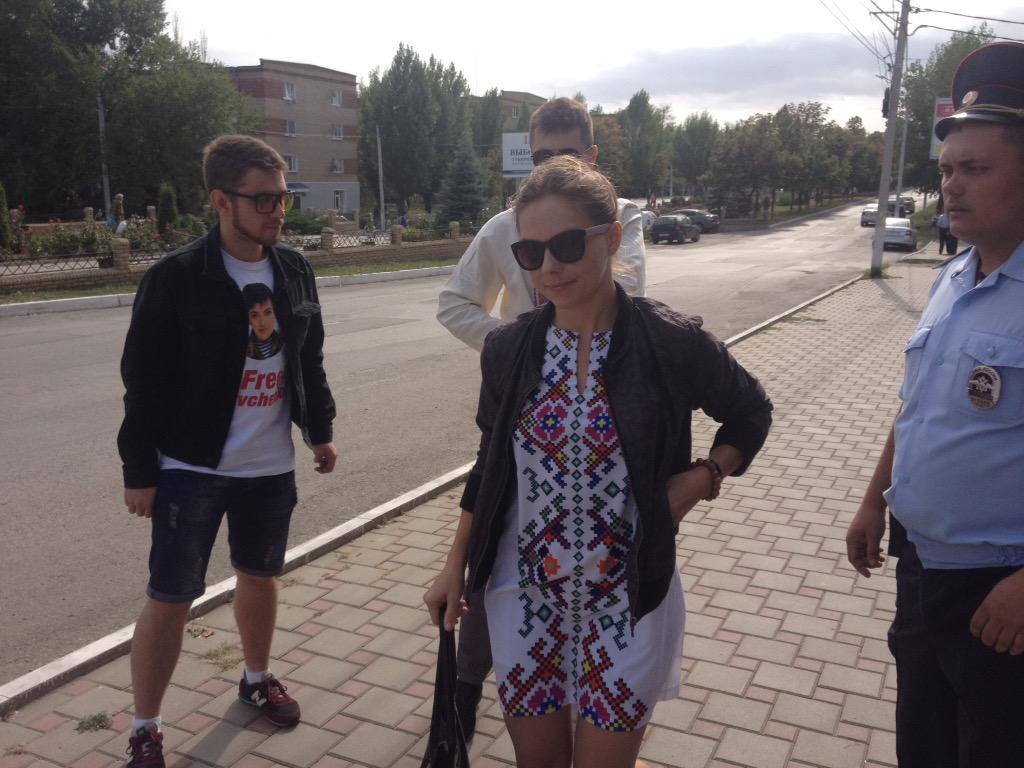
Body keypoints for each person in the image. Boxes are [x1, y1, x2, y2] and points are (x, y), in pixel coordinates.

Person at [425, 156, 772, 767]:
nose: (548, 268)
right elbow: (489, 466)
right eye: (530, 252)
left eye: (565, 245)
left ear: (611, 238)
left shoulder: (670, 343)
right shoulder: (509, 350)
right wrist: (455, 565)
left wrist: (703, 477)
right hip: (524, 597)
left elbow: (751, 413)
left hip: (628, 601)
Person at [118, 134, 337, 767]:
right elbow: (144, 381)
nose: (277, 211)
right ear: (220, 201)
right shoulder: (176, 278)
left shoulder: (293, 268)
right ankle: (145, 726)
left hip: (269, 466)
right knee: (171, 596)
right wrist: (140, 470)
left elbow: (309, 359)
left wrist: (319, 429)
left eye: (283, 198)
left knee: (260, 576)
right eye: (263, 199)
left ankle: (255, 678)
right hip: (190, 466)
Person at [436, 96, 647, 739]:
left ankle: (591, 688)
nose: (553, 164)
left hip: (601, 417)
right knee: (496, 549)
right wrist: (522, 345)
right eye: (541, 155)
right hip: (525, 417)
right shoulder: (505, 227)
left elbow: (631, 296)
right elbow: (454, 303)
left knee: (600, 560)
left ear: (592, 155)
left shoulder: (617, 220)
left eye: (568, 153)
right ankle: (464, 694)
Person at [845, 41, 1024, 767]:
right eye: (948, 170)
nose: (951, 187)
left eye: (975, 170)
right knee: (924, 746)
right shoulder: (954, 276)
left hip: (1001, 594)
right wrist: (873, 501)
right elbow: (917, 407)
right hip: (921, 570)